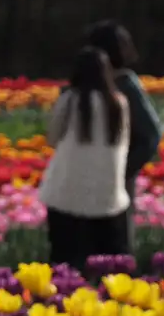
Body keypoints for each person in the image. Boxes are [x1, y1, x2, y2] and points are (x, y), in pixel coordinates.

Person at [39, 47, 130, 271]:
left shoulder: (70, 100)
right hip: (107, 198)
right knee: (107, 268)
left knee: (66, 261)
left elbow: (52, 138)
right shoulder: (118, 104)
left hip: (66, 195)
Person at [84, 21, 162, 251]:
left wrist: (122, 169)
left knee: (112, 240)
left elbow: (149, 136)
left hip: (111, 178)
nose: (131, 49)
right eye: (125, 43)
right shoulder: (119, 85)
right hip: (87, 178)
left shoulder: (124, 85)